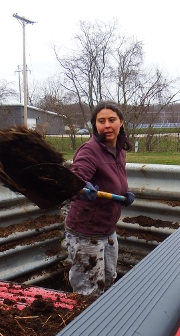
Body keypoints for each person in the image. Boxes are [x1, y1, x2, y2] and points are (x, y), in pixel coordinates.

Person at [64, 101, 135, 296]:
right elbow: (75, 178)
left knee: (110, 280)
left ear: (120, 122)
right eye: (101, 121)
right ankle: (84, 325)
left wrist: (123, 195)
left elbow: (114, 180)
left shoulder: (119, 151)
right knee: (88, 291)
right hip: (85, 232)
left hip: (108, 231)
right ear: (95, 125)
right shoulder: (90, 151)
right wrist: (81, 186)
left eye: (111, 120)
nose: (107, 125)